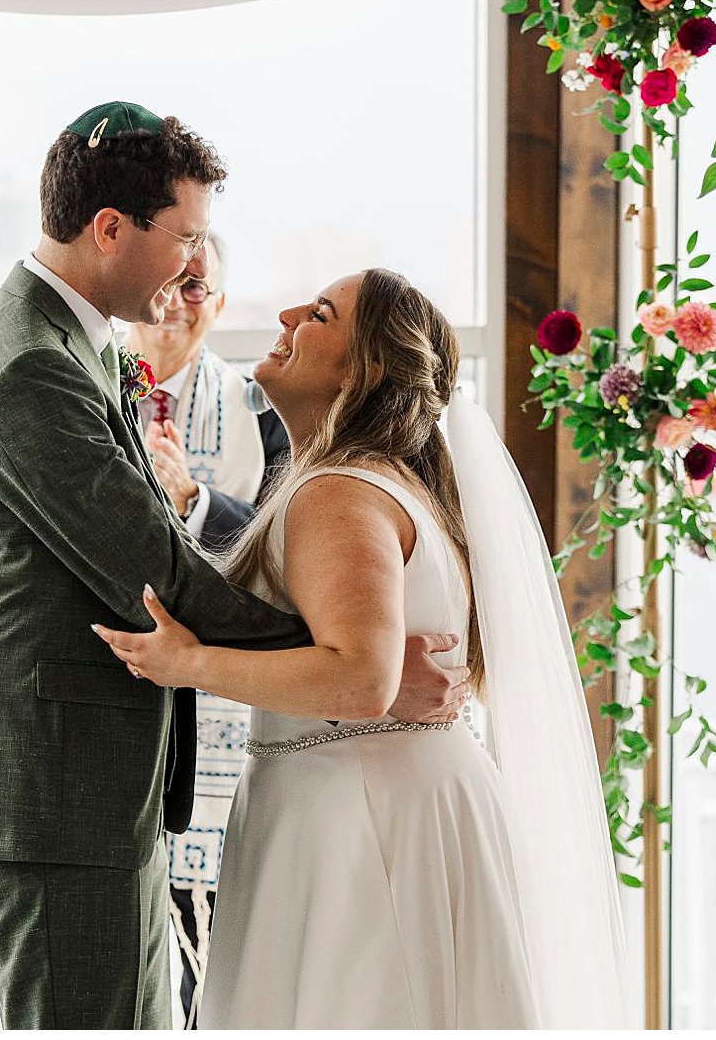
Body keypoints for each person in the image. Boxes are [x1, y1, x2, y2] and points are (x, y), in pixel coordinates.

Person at [0, 107, 471, 1030]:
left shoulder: (77, 342)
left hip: (99, 784)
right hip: (59, 785)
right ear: (110, 229)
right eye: (186, 237)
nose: (195, 266)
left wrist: (358, 662)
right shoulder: (33, 367)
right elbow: (158, 579)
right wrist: (359, 667)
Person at [96, 268, 633, 1029]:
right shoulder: (386, 483)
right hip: (393, 799)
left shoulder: (339, 490)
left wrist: (186, 662)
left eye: (317, 313)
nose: (285, 312)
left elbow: (361, 679)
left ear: (366, 370)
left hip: (358, 819)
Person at [124, 235, 290, 1027]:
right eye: (171, 280)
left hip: (218, 717)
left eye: (200, 288)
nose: (180, 299)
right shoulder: (91, 390)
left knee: (214, 959)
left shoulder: (259, 410)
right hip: (113, 706)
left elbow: (284, 557)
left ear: (219, 306)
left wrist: (193, 499)